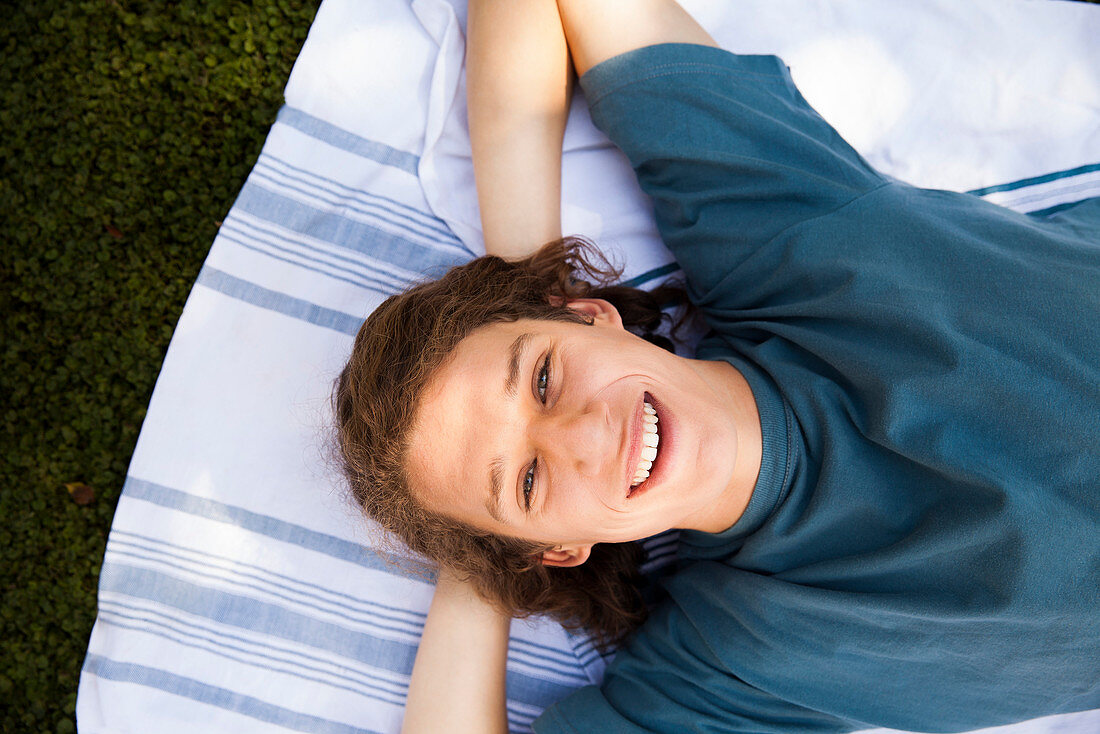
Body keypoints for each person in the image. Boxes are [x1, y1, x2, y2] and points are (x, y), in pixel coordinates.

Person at [332, 1, 1100, 732]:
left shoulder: (782, 243)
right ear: (559, 553)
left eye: (542, 380)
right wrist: (489, 568)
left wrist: (534, 275)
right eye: (530, 480)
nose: (584, 434)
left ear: (592, 316)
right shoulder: (737, 661)